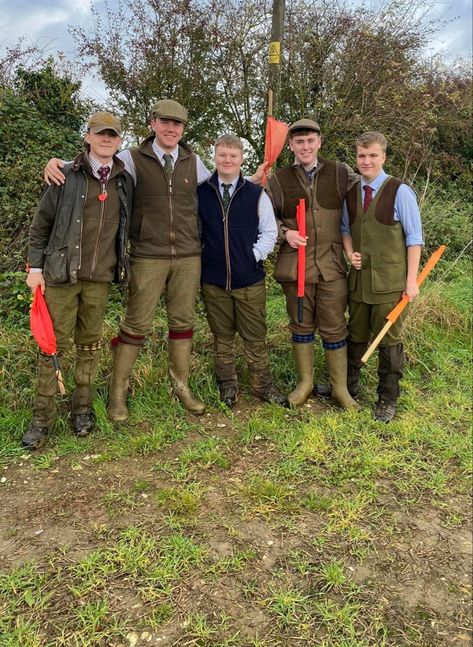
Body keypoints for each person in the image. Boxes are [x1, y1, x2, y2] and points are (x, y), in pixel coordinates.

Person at [44, 100, 265, 421]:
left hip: (189, 257)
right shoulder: (132, 158)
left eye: (177, 124)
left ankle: (182, 386)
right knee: (136, 324)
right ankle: (117, 395)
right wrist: (57, 163)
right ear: (152, 123)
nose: (171, 128)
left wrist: (255, 180)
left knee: (183, 323)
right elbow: (96, 161)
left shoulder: (194, 161)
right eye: (164, 122)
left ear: (183, 129)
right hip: (148, 255)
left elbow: (225, 180)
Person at [23, 112, 133, 449]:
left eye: (112, 135)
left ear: (119, 142)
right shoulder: (65, 175)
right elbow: (41, 225)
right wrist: (35, 268)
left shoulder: (124, 180)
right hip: (61, 276)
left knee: (89, 346)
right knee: (52, 347)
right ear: (87, 137)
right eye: (100, 134)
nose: (106, 140)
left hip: (99, 278)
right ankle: (42, 418)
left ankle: (81, 408)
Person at [266, 118, 358, 409]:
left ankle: (339, 388)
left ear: (320, 142)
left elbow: (366, 196)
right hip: (296, 268)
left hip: (331, 266)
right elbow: (265, 218)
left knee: (334, 326)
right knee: (301, 326)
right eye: (299, 142)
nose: (305, 146)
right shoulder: (278, 179)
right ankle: (305, 384)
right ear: (290, 145)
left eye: (310, 141)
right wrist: (285, 232)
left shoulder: (342, 173)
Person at [199, 134, 288, 408]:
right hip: (213, 281)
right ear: (214, 157)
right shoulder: (202, 192)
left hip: (249, 281)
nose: (227, 161)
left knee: (255, 338)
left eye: (233, 156)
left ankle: (263, 386)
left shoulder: (256, 194)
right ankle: (228, 385)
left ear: (241, 159)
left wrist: (252, 257)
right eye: (222, 155)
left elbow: (270, 232)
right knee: (222, 338)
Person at [341, 131, 423, 422]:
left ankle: (387, 398)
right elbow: (346, 231)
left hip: (391, 286)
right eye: (362, 156)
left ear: (384, 157)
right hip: (360, 284)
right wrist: (350, 253)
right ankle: (348, 388)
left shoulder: (399, 191)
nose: (367, 161)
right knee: (356, 335)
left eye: (373, 155)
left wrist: (411, 281)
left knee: (389, 342)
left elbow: (415, 239)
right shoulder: (351, 193)